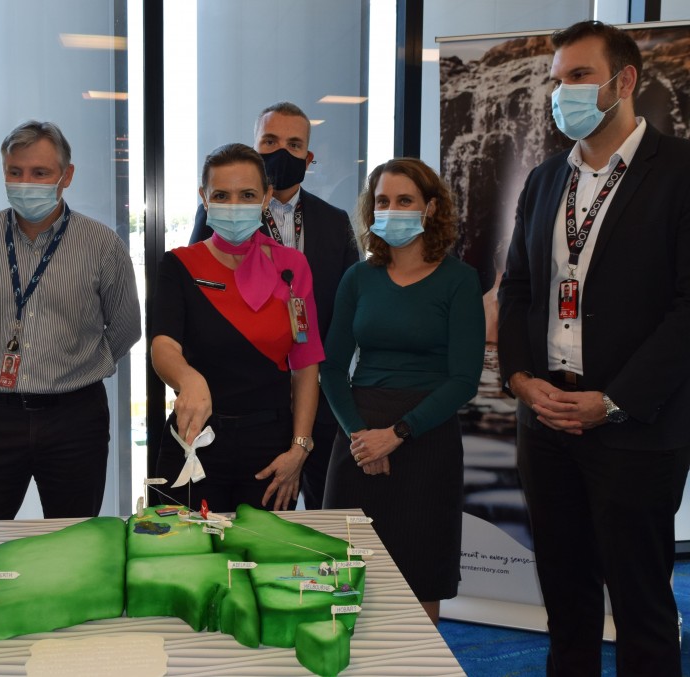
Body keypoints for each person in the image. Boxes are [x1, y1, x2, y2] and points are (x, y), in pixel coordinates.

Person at [498, 21, 690, 676]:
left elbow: (688, 310)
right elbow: (518, 287)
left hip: (634, 428)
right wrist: (521, 379)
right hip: (546, 422)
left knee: (642, 612)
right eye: (557, 80)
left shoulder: (681, 173)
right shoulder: (547, 178)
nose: (562, 92)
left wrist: (611, 402)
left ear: (624, 81)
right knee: (566, 606)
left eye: (577, 77)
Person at [0, 120, 141, 591]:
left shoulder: (102, 246)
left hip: (75, 418)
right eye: (15, 171)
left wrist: (75, 369)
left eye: (39, 172)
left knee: (74, 547)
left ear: (66, 175)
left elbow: (125, 328)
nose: (26, 183)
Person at [321, 158, 485, 625]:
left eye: (405, 200)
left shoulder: (459, 280)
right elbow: (331, 370)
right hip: (357, 438)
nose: (391, 210)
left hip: (424, 437)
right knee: (345, 577)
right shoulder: (358, 278)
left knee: (419, 579)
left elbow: (463, 380)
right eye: (382, 202)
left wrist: (395, 434)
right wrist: (360, 436)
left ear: (431, 208)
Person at [190, 102, 359, 510]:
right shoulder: (218, 215)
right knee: (248, 520)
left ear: (308, 157)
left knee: (321, 521)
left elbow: (348, 307)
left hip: (317, 403)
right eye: (270, 141)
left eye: (294, 144)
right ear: (255, 146)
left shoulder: (334, 221)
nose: (281, 151)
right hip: (245, 406)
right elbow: (196, 301)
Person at [151, 142, 324, 513]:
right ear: (204, 197)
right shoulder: (179, 265)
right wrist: (188, 378)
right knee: (180, 563)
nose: (234, 205)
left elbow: (306, 364)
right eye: (221, 195)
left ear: (266, 198)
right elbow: (163, 346)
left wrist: (299, 447)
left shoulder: (293, 267)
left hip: (270, 450)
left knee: (261, 563)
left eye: (247, 195)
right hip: (193, 438)